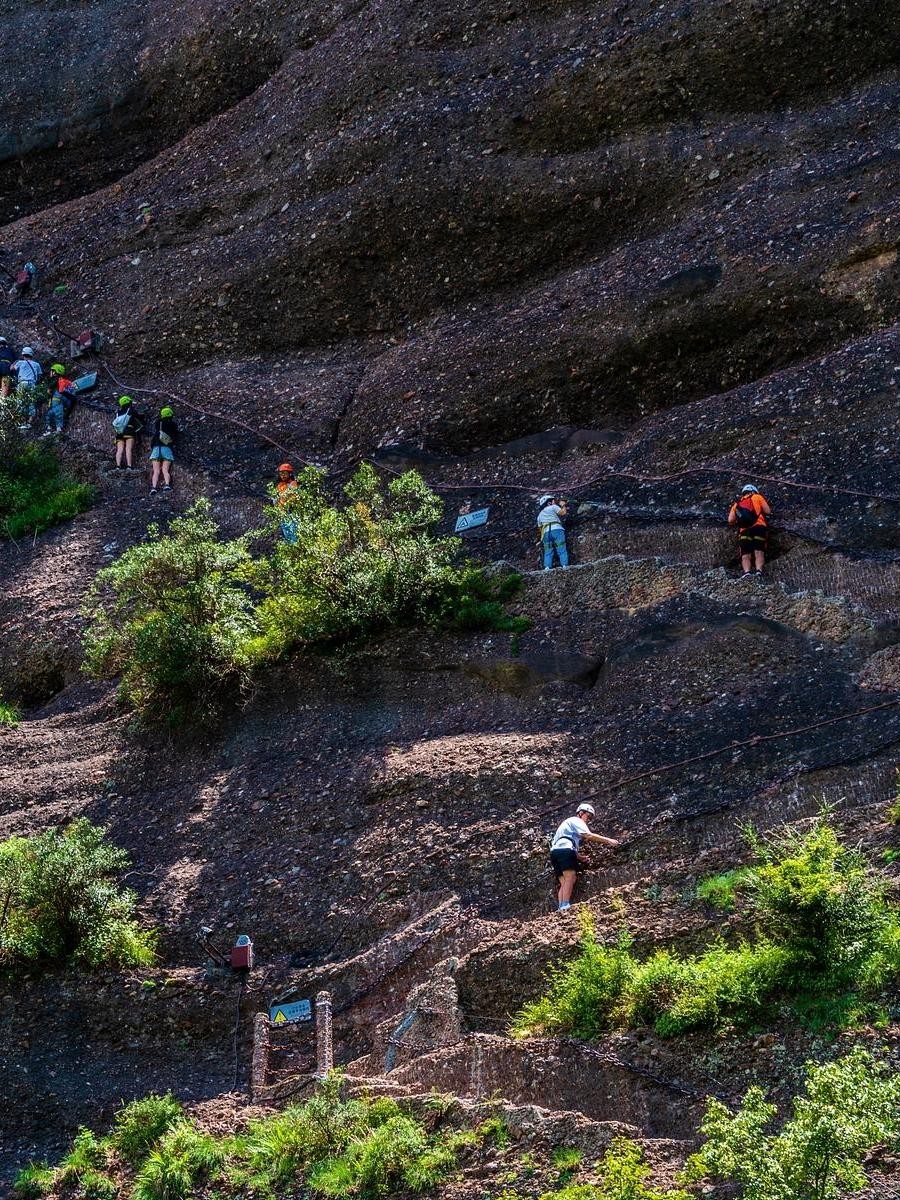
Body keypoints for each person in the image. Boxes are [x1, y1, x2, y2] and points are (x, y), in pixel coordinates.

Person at [549, 803, 619, 911]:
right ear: (580, 813)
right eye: (588, 816)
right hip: (565, 850)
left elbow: (565, 841)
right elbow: (588, 835)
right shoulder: (576, 820)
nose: (588, 819)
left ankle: (561, 907)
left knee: (564, 881)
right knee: (571, 877)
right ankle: (565, 906)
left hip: (555, 853)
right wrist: (608, 840)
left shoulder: (565, 825)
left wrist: (579, 857)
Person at [728, 484, 772, 576]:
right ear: (754, 491)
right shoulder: (757, 497)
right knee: (759, 550)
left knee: (745, 553)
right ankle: (759, 571)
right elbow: (767, 511)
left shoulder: (737, 504)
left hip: (744, 530)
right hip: (759, 527)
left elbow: (730, 520)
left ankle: (747, 572)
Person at [149, 405, 178, 494]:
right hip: (166, 448)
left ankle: (153, 488)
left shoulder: (158, 423)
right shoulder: (172, 424)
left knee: (156, 471)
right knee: (165, 469)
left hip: (156, 448)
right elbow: (175, 433)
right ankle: (167, 485)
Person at [11, 347, 42, 427]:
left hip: (22, 383)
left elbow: (11, 368)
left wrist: (16, 361)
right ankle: (29, 422)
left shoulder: (20, 363)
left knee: (21, 402)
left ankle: (22, 423)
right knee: (31, 402)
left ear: (23, 354)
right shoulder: (36, 364)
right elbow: (39, 375)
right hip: (32, 383)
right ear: (31, 354)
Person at [536, 493, 569, 569]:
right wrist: (563, 505)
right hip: (557, 530)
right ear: (549, 502)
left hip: (546, 533)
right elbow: (563, 513)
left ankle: (547, 567)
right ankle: (564, 565)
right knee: (561, 548)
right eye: (553, 501)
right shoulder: (553, 507)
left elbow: (540, 528)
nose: (554, 502)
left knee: (548, 551)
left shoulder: (539, 515)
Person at [42, 363, 75, 435]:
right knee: (50, 413)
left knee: (56, 411)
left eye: (52, 371)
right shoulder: (61, 381)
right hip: (60, 400)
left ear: (55, 372)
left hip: (58, 399)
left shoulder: (58, 381)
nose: (50, 372)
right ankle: (50, 428)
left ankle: (58, 429)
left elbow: (59, 392)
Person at [112, 395, 143, 468]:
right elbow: (139, 417)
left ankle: (118, 466)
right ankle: (129, 466)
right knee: (128, 449)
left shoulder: (118, 413)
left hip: (119, 433)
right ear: (129, 402)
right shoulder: (130, 410)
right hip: (129, 432)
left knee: (119, 450)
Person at [275, 462, 299, 543]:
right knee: (286, 534)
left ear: (290, 474)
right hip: (282, 513)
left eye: (285, 473)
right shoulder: (280, 485)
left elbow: (294, 498)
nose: (283, 476)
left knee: (293, 533)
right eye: (281, 474)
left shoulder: (293, 484)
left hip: (291, 512)